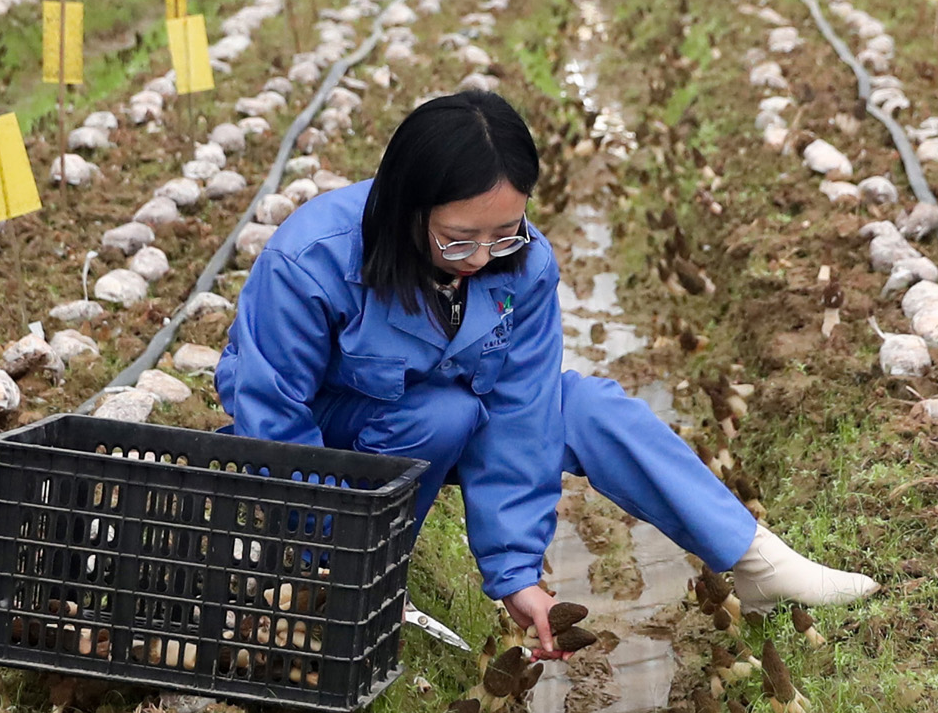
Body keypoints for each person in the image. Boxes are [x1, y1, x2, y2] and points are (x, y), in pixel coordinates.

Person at [220, 91, 874, 655]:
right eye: (457, 239)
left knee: (588, 407)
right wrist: (316, 545)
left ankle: (754, 559)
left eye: (503, 233)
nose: (480, 258)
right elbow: (271, 410)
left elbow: (522, 414)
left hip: (452, 419)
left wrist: (514, 573)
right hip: (336, 439)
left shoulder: (525, 266)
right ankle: (361, 572)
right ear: (404, 208)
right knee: (440, 413)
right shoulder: (313, 258)